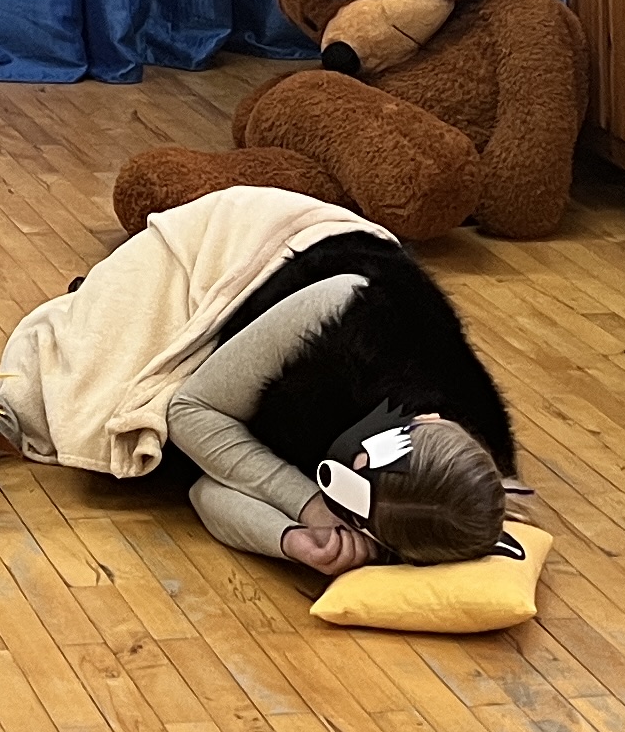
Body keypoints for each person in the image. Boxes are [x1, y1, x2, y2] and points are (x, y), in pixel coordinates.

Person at [160, 227, 517, 576]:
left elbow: (204, 486)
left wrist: (291, 540)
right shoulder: (348, 305)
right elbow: (188, 411)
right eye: (370, 451)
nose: (352, 463)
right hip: (279, 254)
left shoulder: (423, 513)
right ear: (429, 419)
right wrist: (309, 502)